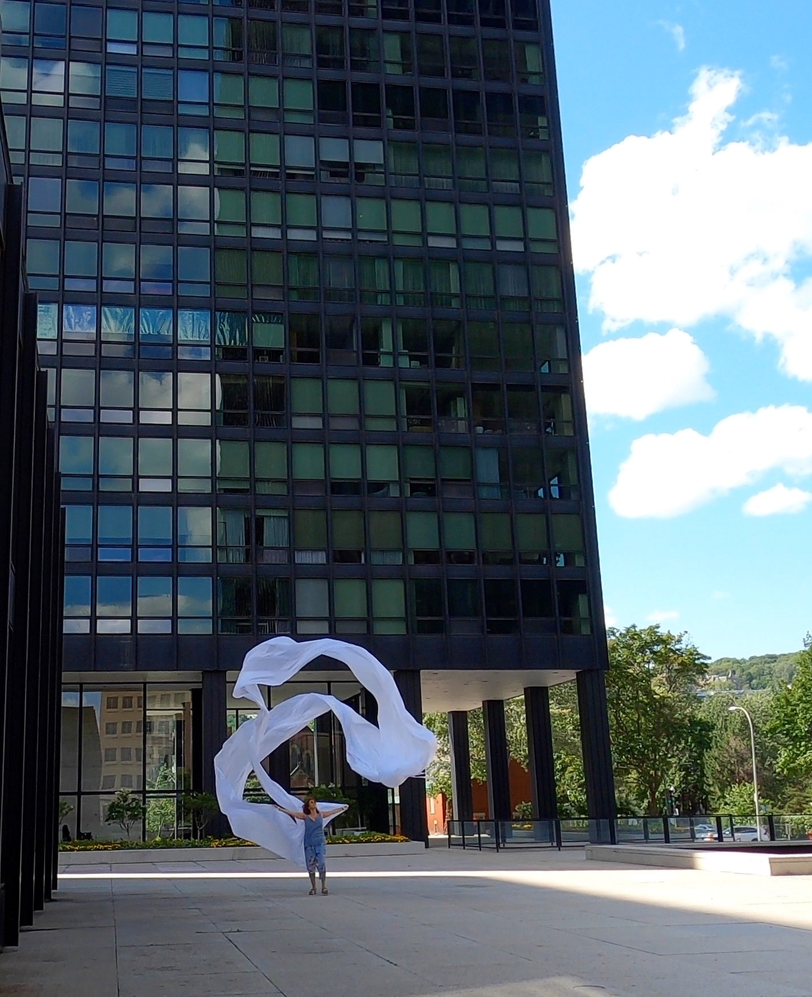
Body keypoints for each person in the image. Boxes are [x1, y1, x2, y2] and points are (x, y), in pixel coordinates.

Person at [275, 797, 348, 895]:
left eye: (314, 802)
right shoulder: (305, 817)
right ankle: (313, 887)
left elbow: (331, 812)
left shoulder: (321, 815)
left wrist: (341, 808)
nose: (314, 804)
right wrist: (280, 809)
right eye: (312, 802)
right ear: (308, 806)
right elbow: (293, 813)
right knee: (311, 866)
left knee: (321, 864)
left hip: (320, 843)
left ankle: (324, 886)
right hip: (309, 845)